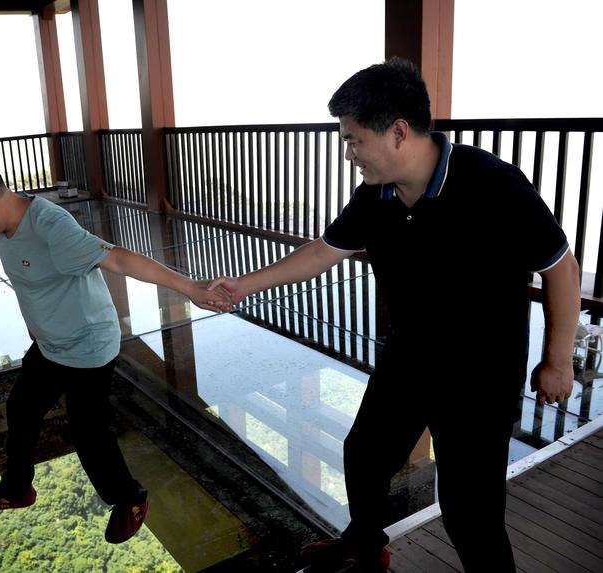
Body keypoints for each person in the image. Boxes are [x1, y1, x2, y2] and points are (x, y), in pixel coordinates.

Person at [208, 59, 580, 572]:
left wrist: (557, 361)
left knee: (470, 511)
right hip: (410, 356)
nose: (348, 154)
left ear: (399, 132)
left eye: (354, 140)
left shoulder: (493, 186)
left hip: (480, 373)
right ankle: (365, 545)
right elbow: (324, 251)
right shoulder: (376, 196)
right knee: (364, 457)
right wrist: (241, 286)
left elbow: (561, 268)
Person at [0, 160, 230, 544]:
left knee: (88, 433)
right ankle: (17, 489)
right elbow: (33, 281)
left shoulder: (51, 226)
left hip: (87, 346)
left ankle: (131, 499)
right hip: (51, 343)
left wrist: (190, 287)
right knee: (21, 410)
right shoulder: (6, 225)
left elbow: (119, 258)